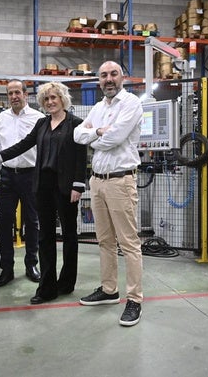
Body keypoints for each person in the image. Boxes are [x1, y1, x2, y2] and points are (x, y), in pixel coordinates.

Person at [0, 82, 87, 304]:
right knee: (45, 236)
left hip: (66, 187)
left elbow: (80, 157)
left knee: (69, 236)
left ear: (63, 99)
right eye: (46, 99)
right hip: (43, 186)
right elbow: (24, 144)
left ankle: (66, 282)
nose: (50, 102)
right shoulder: (41, 123)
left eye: (54, 98)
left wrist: (78, 186)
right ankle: (47, 288)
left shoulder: (76, 124)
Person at [73, 61, 144, 327]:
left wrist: (95, 136)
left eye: (113, 74)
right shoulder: (98, 107)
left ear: (122, 77)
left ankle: (134, 299)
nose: (108, 79)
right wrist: (97, 132)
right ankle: (109, 289)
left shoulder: (131, 103)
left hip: (120, 181)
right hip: (97, 182)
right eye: (103, 75)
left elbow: (113, 139)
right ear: (99, 80)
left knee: (128, 243)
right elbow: (77, 135)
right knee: (104, 240)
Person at [0, 79, 45, 287]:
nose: (14, 96)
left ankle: (31, 264)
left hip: (30, 175)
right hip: (6, 175)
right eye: (10, 93)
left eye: (17, 93)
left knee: (32, 221)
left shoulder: (38, 118)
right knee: (4, 222)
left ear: (25, 94)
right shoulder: (2, 118)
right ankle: (7, 268)